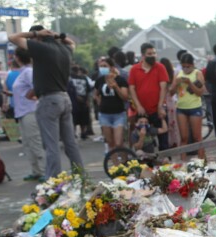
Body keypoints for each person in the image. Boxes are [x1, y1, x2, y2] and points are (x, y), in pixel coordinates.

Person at [8, 25, 84, 179]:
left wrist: (36, 33)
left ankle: (54, 181)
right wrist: (57, 35)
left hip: (49, 100)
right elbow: (71, 43)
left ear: (38, 38)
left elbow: (13, 37)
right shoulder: (65, 50)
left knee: (51, 146)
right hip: (64, 98)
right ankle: (81, 177)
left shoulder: (41, 48)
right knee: (70, 143)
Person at [127, 43, 170, 152]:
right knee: (143, 139)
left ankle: (165, 164)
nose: (153, 56)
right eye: (149, 54)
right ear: (143, 55)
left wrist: (160, 106)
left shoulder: (160, 67)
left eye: (154, 53)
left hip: (158, 109)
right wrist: (138, 106)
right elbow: (131, 89)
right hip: (142, 112)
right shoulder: (134, 69)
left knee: (163, 139)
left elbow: (163, 87)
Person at [10, 48, 45, 181]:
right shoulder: (22, 72)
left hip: (30, 110)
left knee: (35, 140)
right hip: (22, 112)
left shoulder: (28, 72)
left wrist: (30, 96)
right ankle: (35, 170)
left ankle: (44, 170)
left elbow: (36, 86)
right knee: (27, 143)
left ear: (18, 58)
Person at [172, 53, 205, 160]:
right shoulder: (177, 73)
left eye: (188, 66)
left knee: (197, 137)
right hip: (181, 108)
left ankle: (202, 160)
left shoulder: (197, 73)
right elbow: (171, 92)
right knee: (184, 137)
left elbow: (200, 92)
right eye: (184, 66)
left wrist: (190, 83)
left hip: (194, 107)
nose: (186, 69)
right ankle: (183, 163)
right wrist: (176, 84)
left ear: (192, 65)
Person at [94, 57, 129, 152]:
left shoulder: (120, 80)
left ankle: (125, 162)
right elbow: (96, 94)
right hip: (104, 115)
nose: (102, 68)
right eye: (100, 66)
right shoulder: (100, 80)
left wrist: (116, 87)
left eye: (105, 66)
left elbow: (125, 97)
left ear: (112, 67)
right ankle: (116, 165)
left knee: (119, 143)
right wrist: (99, 103)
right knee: (110, 142)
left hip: (119, 114)